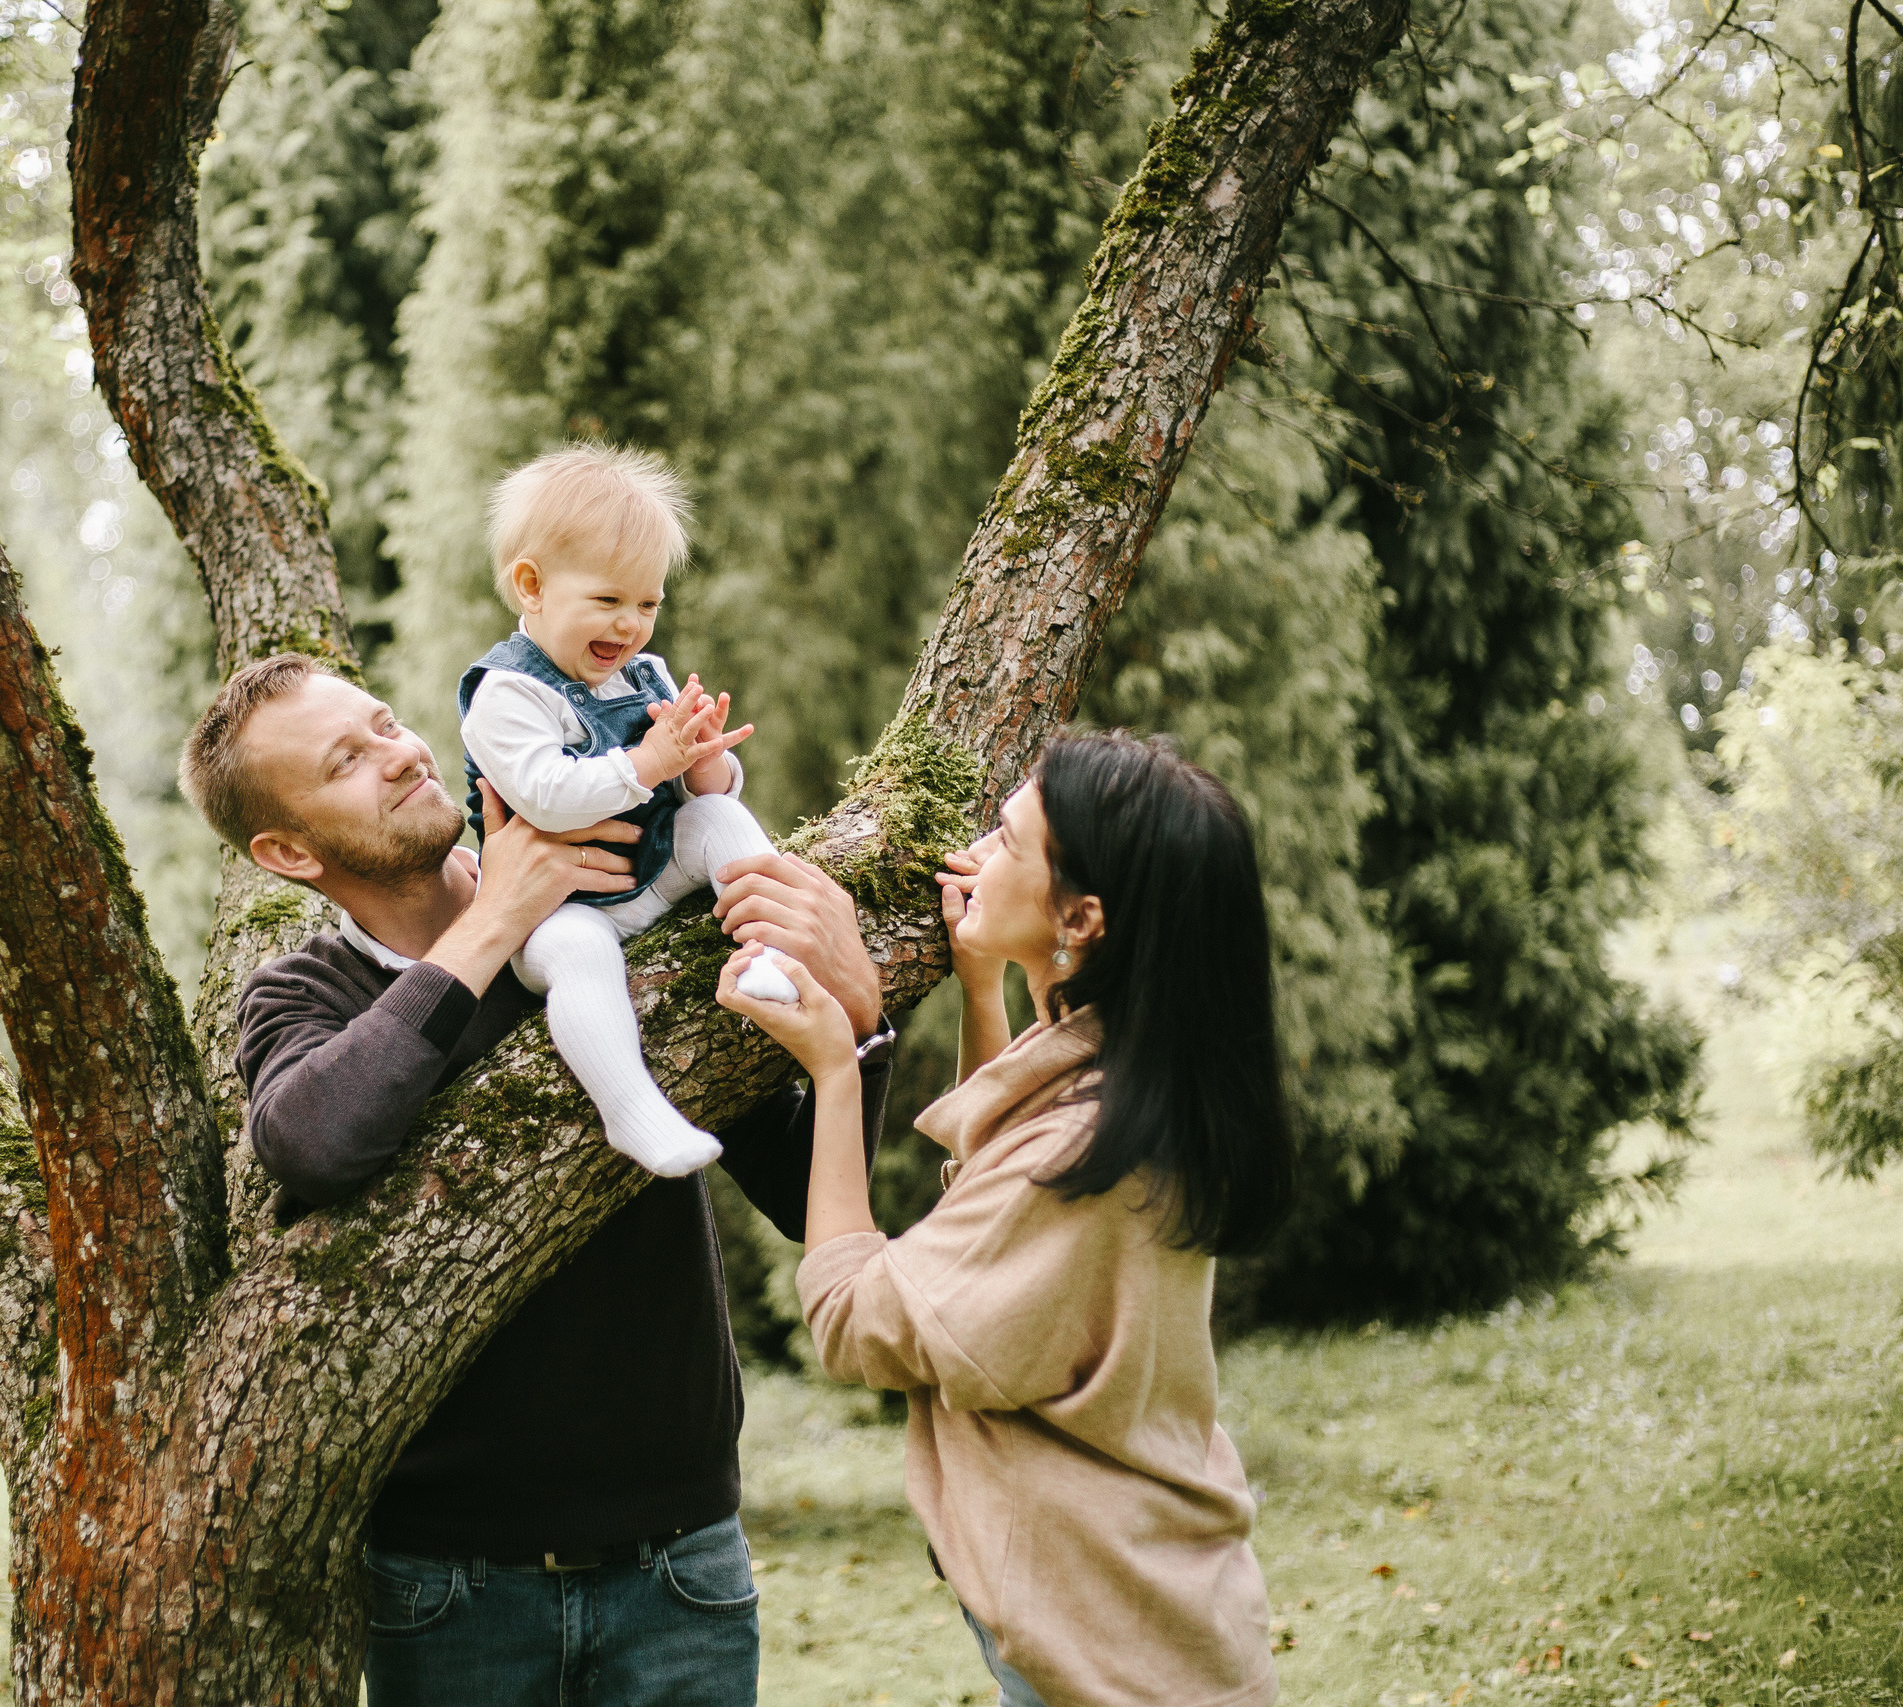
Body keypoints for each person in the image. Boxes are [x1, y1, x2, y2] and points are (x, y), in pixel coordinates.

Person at [185, 651, 897, 1706]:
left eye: (384, 723)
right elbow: (315, 1144)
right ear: (289, 851)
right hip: (447, 1588)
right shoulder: (307, 995)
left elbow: (801, 1192)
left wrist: (862, 1023)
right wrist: (492, 924)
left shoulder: (627, 916)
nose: (400, 754)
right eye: (346, 761)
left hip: (681, 1558)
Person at [717, 729, 1295, 1707]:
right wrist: (983, 988)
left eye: (1010, 841)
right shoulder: (1135, 1084)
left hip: (1107, 1647)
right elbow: (993, 1204)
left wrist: (836, 1067)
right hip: (1141, 1610)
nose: (977, 852)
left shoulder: (1084, 1149)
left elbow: (854, 1318)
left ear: (1082, 918)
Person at [456, 443, 797, 1181]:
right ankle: (631, 1108)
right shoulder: (507, 695)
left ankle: (771, 952)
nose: (630, 626)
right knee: (582, 956)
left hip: (649, 870)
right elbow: (548, 795)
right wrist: (648, 762)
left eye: (648, 604)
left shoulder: (643, 674)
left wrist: (702, 761)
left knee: (720, 824)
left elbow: (703, 796)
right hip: (556, 910)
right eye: (609, 602)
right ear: (532, 586)